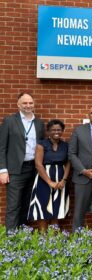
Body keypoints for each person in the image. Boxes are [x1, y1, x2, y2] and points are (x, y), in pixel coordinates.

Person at [0, 92, 45, 232]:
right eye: (25, 103)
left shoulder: (39, 123)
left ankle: (22, 236)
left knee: (27, 204)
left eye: (30, 103)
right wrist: (2, 170)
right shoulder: (9, 121)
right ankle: (11, 239)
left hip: (33, 169)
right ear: (18, 104)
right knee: (14, 206)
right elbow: (2, 147)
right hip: (15, 170)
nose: (28, 105)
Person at [27, 119, 70, 231]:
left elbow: (68, 163)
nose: (56, 132)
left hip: (60, 179)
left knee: (57, 208)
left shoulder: (66, 145)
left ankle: (53, 239)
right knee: (42, 207)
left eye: (59, 129)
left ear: (62, 130)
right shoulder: (42, 144)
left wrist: (64, 180)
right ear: (48, 131)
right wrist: (50, 182)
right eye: (53, 130)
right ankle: (43, 238)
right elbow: (38, 165)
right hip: (44, 179)